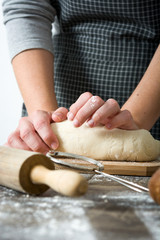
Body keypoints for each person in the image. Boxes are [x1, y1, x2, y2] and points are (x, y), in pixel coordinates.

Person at [2, 0, 160, 154]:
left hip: (152, 100)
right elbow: (26, 8)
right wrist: (46, 124)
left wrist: (137, 120)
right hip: (57, 88)